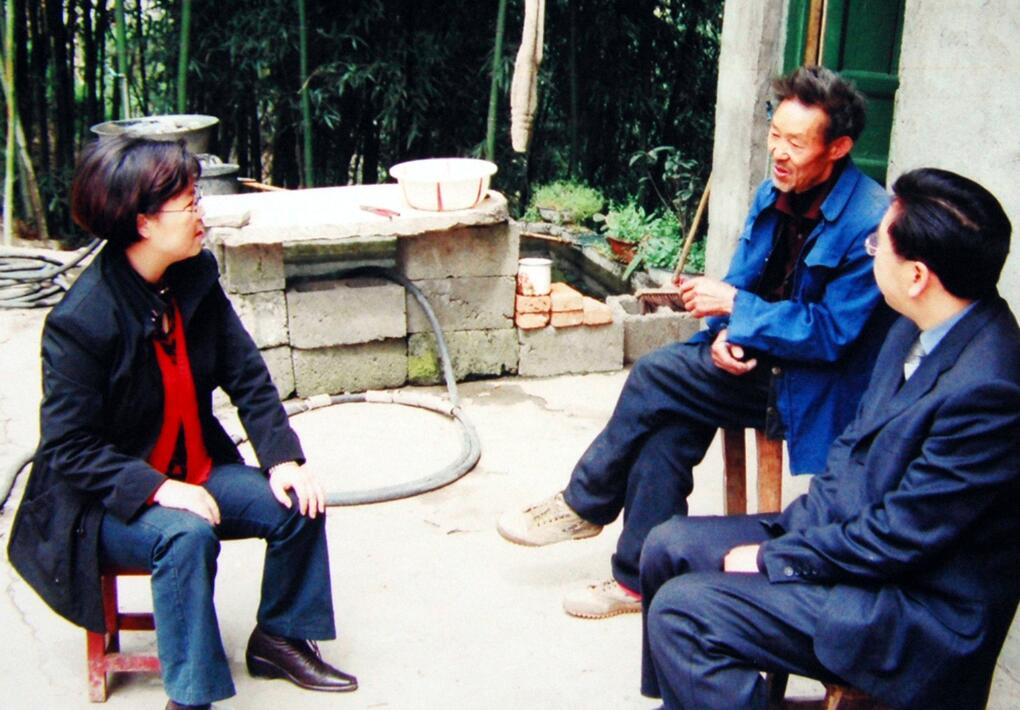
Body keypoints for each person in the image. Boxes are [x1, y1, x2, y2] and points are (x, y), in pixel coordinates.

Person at [498, 65, 894, 618]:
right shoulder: (774, 193)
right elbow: (740, 283)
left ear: (838, 148)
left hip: (808, 386)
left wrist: (737, 311)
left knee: (655, 375)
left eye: (797, 143)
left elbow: (831, 335)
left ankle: (584, 502)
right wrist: (723, 334)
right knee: (668, 422)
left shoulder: (871, 223)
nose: (779, 153)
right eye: (775, 135)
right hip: (753, 359)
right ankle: (639, 581)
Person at [640, 168, 1019, 710]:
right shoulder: (913, 325)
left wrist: (778, 559)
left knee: (685, 612)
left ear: (916, 275)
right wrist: (792, 539)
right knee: (668, 547)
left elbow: (901, 538)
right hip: (858, 547)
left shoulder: (991, 388)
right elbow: (850, 452)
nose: (870, 254)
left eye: (876, 245)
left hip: (914, 610)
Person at [7, 136, 357, 710]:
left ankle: (280, 637)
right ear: (143, 223)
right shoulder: (82, 321)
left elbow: (246, 372)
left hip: (191, 466)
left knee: (300, 502)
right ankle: (190, 698)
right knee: (184, 533)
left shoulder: (193, 275)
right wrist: (161, 490)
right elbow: (69, 448)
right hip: (106, 502)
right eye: (190, 203)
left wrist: (283, 459)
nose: (202, 215)